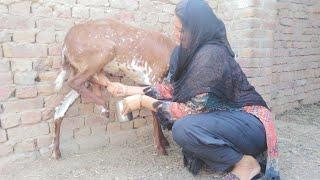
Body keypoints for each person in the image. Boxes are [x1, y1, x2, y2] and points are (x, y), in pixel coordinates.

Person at [110, 0, 280, 179]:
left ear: (199, 28)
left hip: (249, 122)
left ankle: (246, 164)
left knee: (183, 127)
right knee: (181, 121)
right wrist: (127, 90)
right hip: (222, 121)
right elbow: (170, 89)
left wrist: (141, 101)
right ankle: (229, 158)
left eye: (181, 30)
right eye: (174, 28)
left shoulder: (212, 55)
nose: (175, 35)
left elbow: (189, 110)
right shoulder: (182, 54)